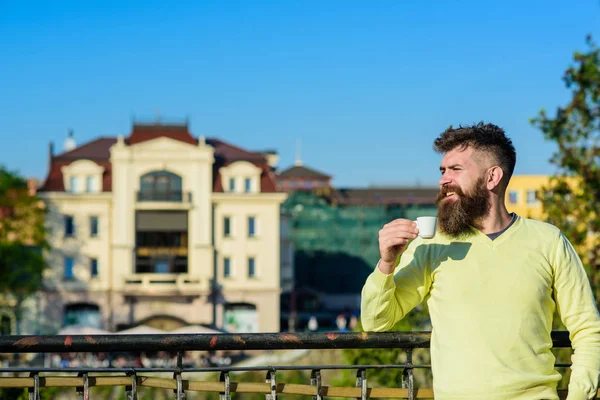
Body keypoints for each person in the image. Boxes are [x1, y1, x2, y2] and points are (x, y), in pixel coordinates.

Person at [361, 122, 600, 400]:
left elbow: (588, 330)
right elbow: (375, 323)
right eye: (442, 170)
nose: (443, 180)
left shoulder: (549, 241)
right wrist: (387, 263)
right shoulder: (432, 244)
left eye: (456, 170)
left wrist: (579, 396)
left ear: (492, 177)